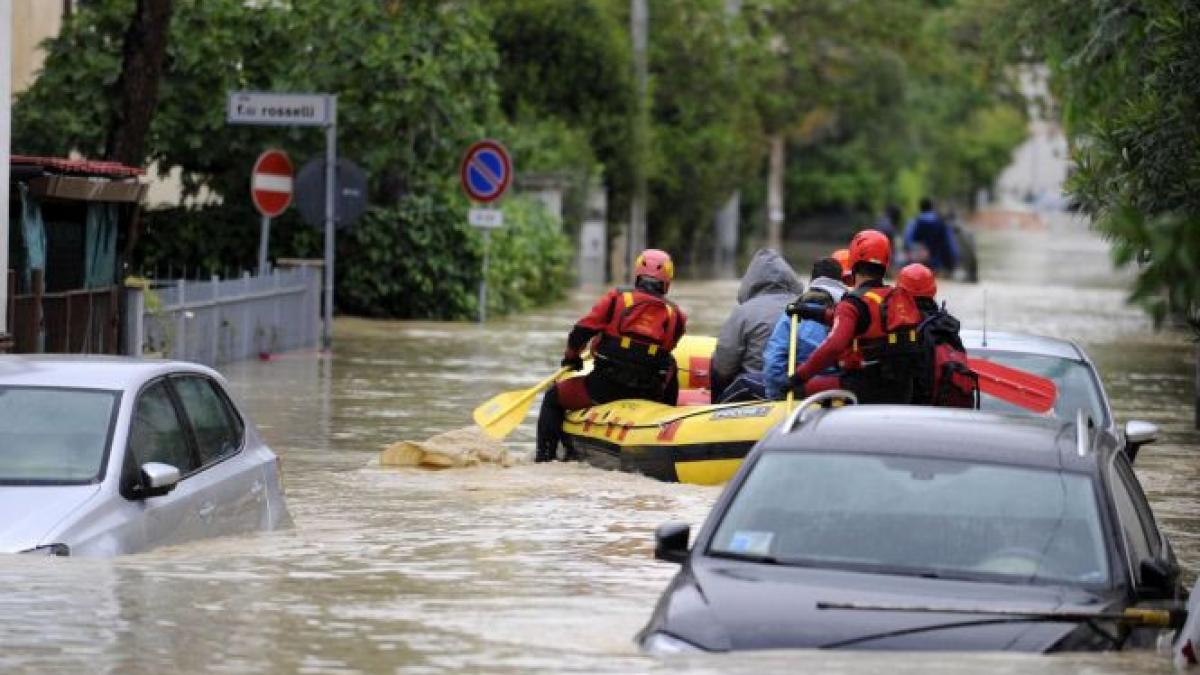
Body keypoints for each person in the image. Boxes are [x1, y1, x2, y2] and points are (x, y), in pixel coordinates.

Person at [535, 249, 687, 462]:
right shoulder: (677, 316)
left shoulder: (617, 299)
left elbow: (581, 331)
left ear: (638, 275)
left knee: (553, 397)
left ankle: (545, 459)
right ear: (667, 282)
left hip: (602, 389)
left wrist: (572, 358)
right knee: (671, 365)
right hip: (647, 394)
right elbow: (664, 351)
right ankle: (667, 419)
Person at [789, 230, 923, 404]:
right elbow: (861, 322)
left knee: (798, 390)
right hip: (902, 390)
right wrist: (810, 312)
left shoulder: (852, 303)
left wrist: (798, 376)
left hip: (862, 388)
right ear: (886, 262)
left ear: (853, 261)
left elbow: (833, 346)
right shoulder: (894, 297)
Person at [710, 249, 804, 402]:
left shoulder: (744, 312)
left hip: (756, 388)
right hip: (799, 388)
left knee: (715, 361)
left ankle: (714, 408)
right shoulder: (805, 306)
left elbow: (723, 366)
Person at [762, 257, 848, 400]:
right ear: (840, 282)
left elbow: (773, 363)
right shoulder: (850, 312)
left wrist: (777, 397)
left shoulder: (792, 314)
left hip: (802, 395)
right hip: (841, 394)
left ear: (811, 281)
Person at [897, 263, 978, 408]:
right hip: (949, 414)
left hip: (914, 413)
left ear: (900, 292)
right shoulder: (947, 327)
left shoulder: (902, 327)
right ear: (933, 291)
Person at [903, 198, 959, 274]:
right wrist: (954, 261)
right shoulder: (941, 223)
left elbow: (907, 241)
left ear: (920, 208)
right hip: (937, 264)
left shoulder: (914, 222)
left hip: (918, 264)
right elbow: (950, 244)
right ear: (932, 207)